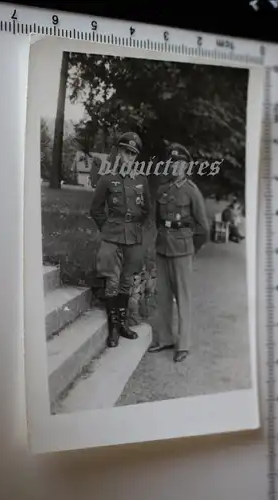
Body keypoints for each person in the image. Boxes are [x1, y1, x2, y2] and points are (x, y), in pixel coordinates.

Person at [148, 143, 210, 363]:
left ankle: (183, 344)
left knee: (183, 298)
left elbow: (203, 228)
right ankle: (164, 338)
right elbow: (157, 220)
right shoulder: (162, 190)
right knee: (162, 297)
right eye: (172, 162)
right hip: (162, 248)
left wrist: (192, 249)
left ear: (186, 166)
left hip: (183, 250)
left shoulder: (192, 192)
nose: (175, 166)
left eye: (179, 163)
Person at [90, 132, 151, 348]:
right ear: (119, 152)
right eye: (126, 152)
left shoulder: (141, 180)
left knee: (127, 280)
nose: (129, 157)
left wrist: (134, 226)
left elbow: (146, 210)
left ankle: (123, 324)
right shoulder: (107, 178)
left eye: (133, 154)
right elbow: (96, 208)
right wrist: (107, 228)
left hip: (133, 237)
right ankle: (113, 328)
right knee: (112, 280)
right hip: (113, 235)